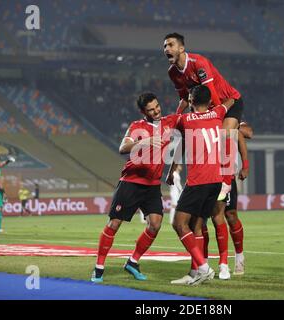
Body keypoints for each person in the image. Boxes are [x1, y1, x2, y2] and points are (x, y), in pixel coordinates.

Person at [91, 92, 180, 283]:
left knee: (155, 224)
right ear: (143, 111)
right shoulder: (137, 126)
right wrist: (144, 142)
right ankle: (98, 267)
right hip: (131, 183)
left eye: (157, 106)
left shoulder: (168, 122)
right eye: (151, 109)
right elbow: (123, 148)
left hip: (152, 185)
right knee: (114, 224)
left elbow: (185, 110)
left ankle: (132, 262)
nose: (156, 111)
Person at [167, 85, 235, 285]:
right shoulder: (217, 113)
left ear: (190, 99)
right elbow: (232, 99)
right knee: (197, 225)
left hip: (199, 181)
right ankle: (196, 272)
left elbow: (171, 124)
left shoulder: (185, 119)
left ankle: (204, 268)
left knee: (179, 223)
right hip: (216, 181)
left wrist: (180, 107)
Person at [164, 32, 243, 200]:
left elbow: (213, 95)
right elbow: (185, 99)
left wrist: (212, 118)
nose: (166, 48)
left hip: (228, 102)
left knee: (223, 134)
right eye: (164, 46)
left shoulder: (198, 63)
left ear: (181, 48)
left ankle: (226, 183)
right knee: (187, 137)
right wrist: (177, 119)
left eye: (170, 45)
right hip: (205, 108)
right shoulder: (173, 72)